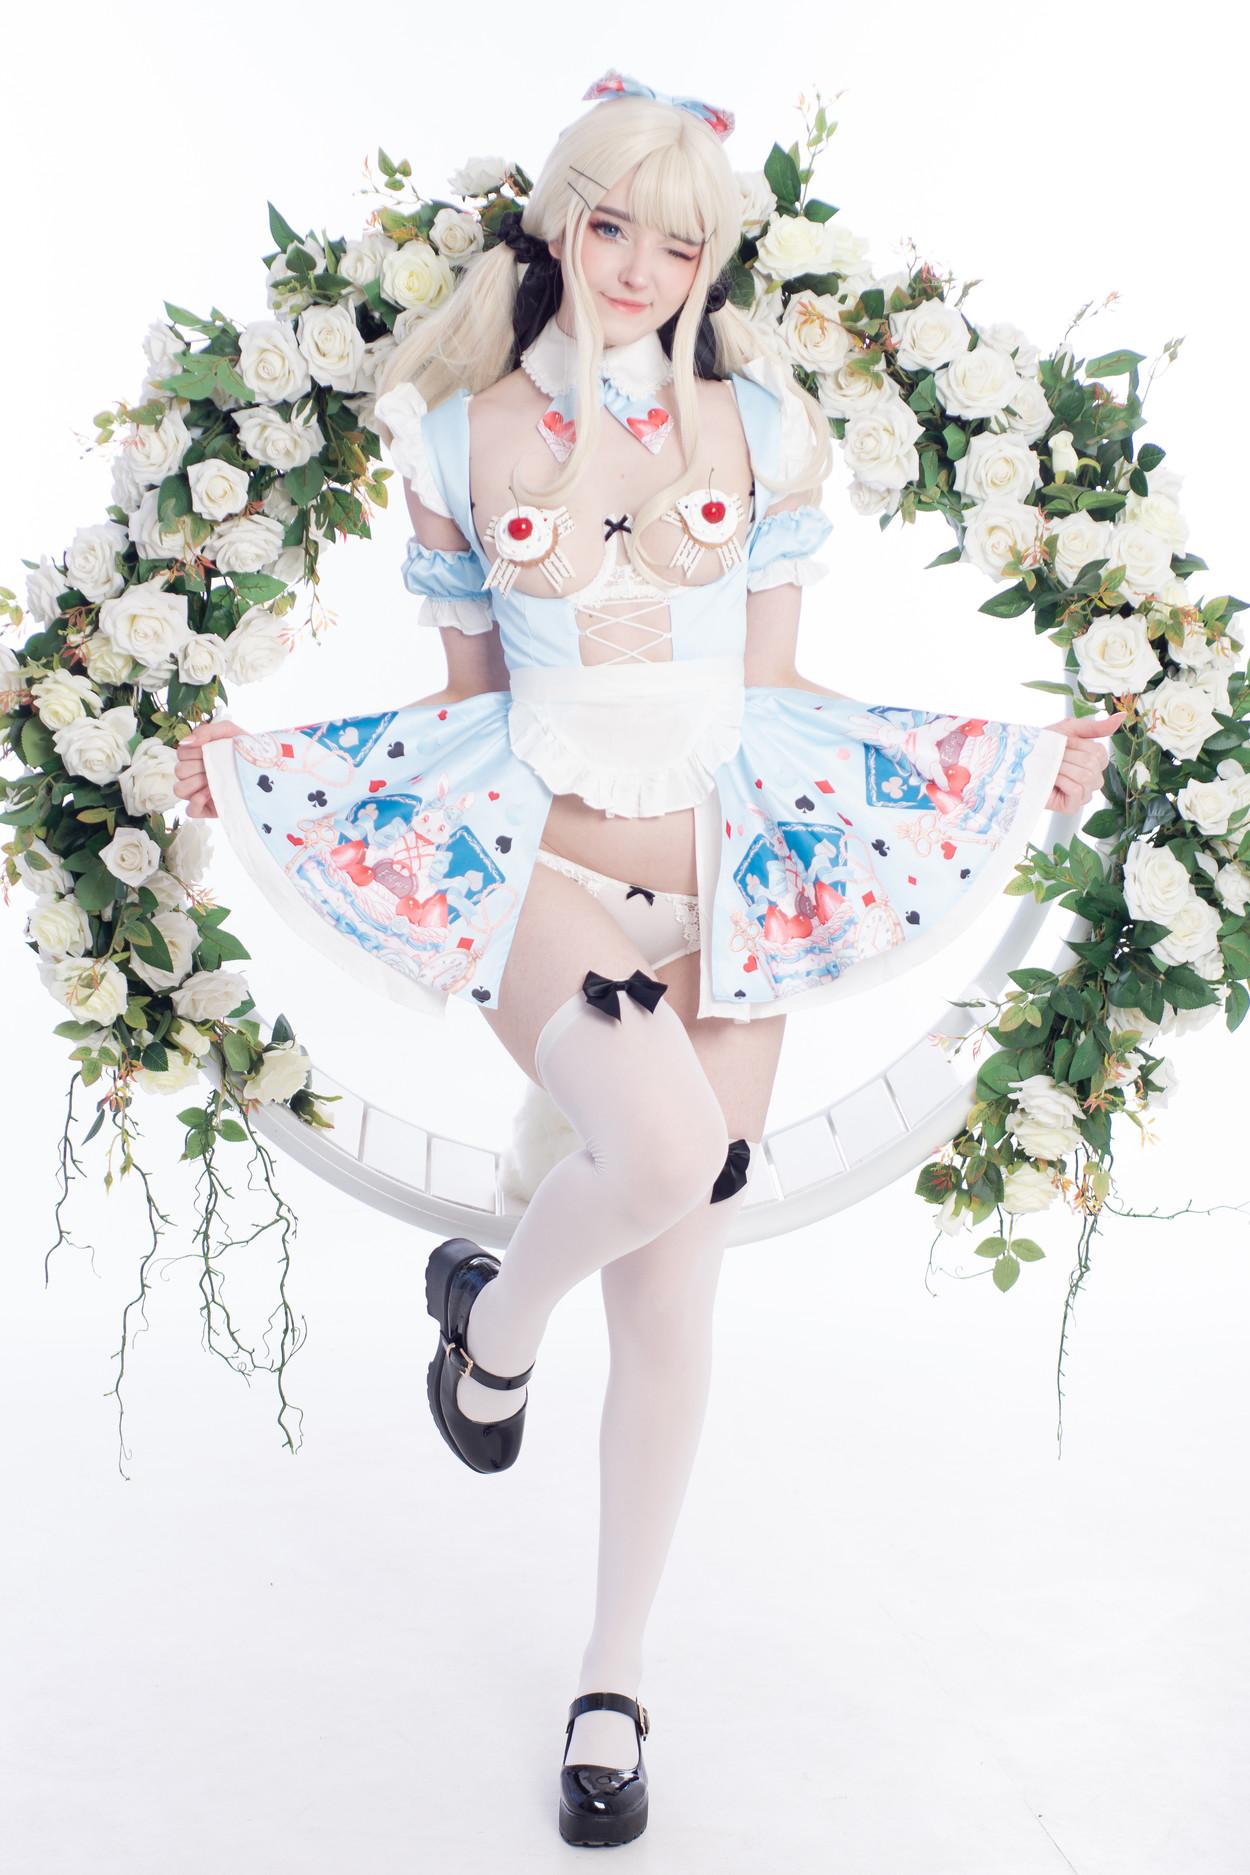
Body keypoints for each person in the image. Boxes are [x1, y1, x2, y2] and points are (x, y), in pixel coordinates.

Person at [173, 74, 1118, 1847]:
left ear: (708, 261)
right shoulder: (460, 434)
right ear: (559, 220)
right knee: (665, 1150)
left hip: (730, 871)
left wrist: (998, 757)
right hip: (541, 862)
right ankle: (496, 1326)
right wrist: (257, 767)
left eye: (676, 244)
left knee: (675, 1288)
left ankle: (611, 1676)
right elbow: (467, 708)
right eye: (611, 225)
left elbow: (775, 691)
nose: (635, 267)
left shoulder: (752, 423)